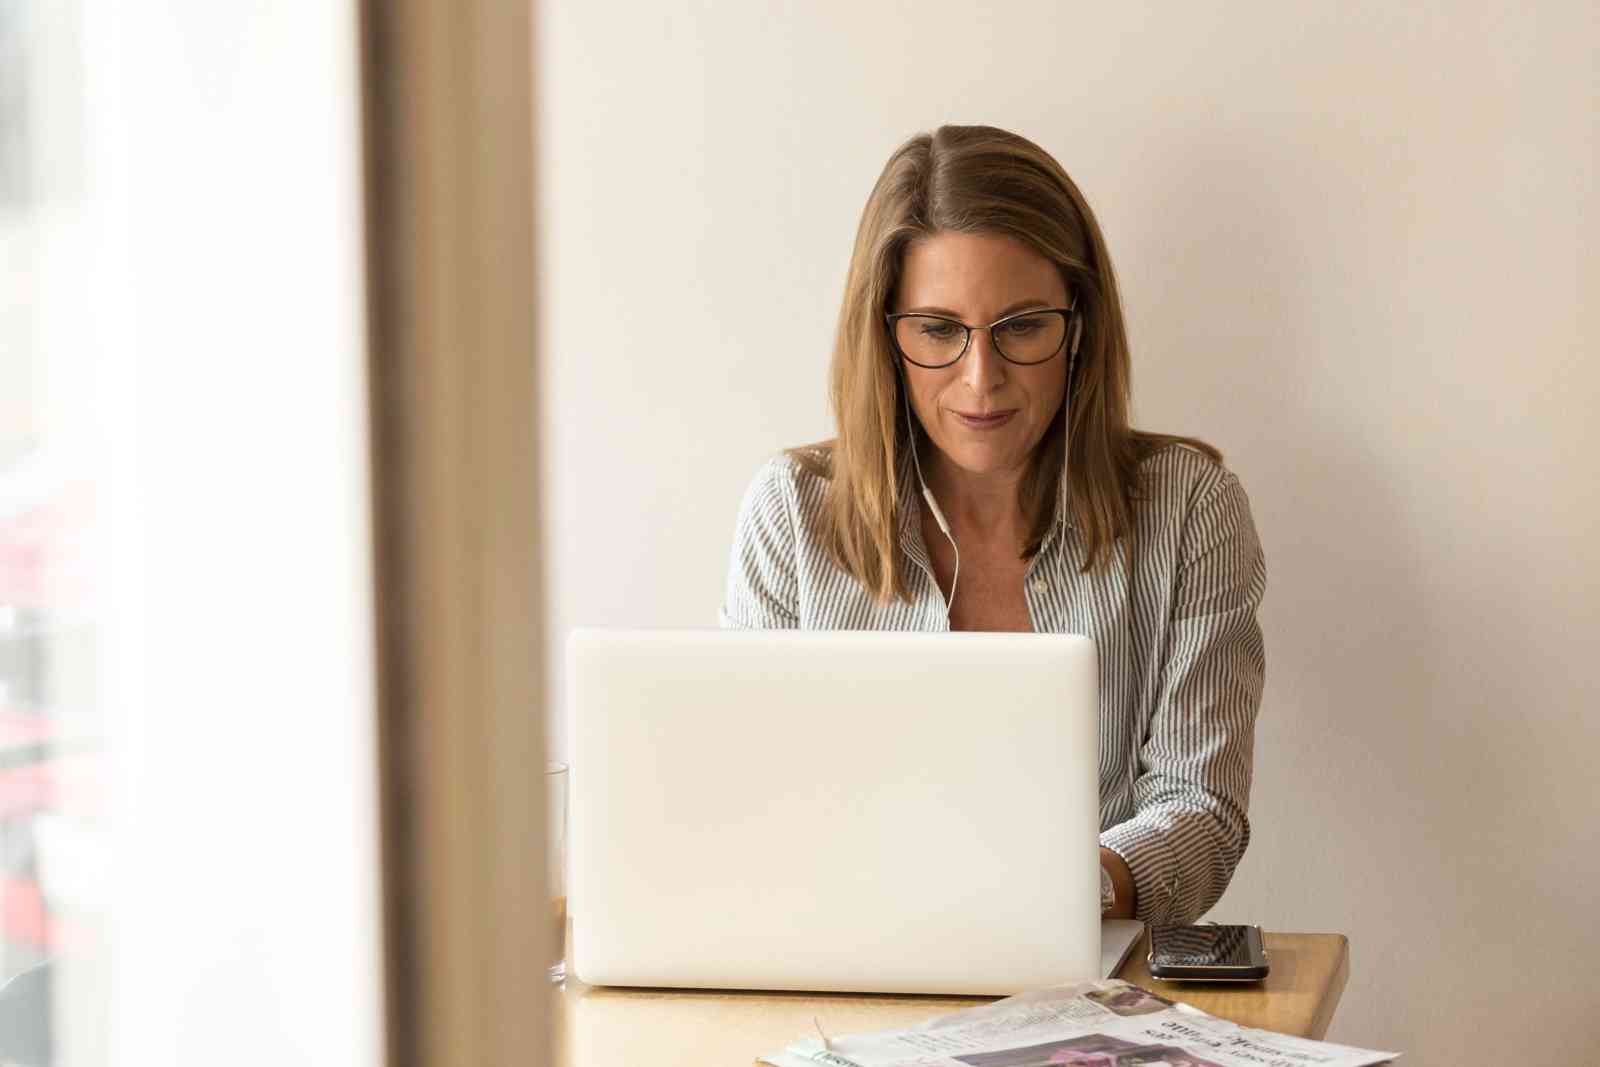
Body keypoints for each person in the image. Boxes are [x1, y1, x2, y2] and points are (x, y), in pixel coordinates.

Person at [720, 124, 1266, 926]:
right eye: (939, 330)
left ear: (1079, 325)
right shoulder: (790, 513)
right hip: (842, 968)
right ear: (886, 335)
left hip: (1088, 980)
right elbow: (746, 803)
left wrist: (1055, 893)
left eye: (1022, 327)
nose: (982, 379)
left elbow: (1202, 809)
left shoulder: (1189, 508)